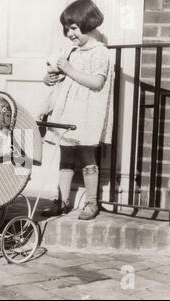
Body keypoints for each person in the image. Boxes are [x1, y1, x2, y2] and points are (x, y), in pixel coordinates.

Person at [40, 0, 113, 220]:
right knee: (65, 155)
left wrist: (69, 70)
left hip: (87, 112)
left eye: (74, 28)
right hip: (67, 110)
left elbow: (96, 82)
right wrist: (50, 77)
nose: (70, 33)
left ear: (88, 23)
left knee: (86, 155)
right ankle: (62, 200)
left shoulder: (100, 52)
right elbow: (61, 77)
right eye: (67, 29)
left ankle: (92, 202)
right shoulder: (71, 51)